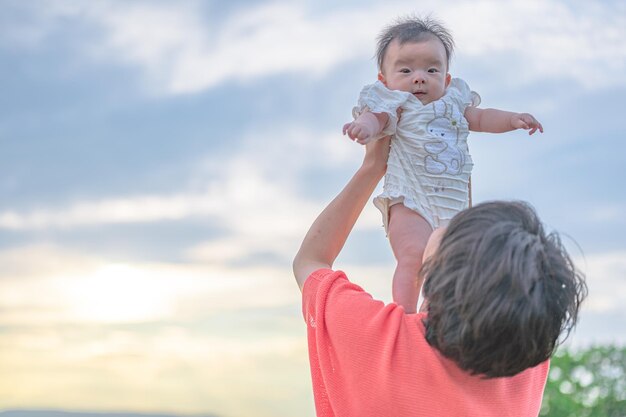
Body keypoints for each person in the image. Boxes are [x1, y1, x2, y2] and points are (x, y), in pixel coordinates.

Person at [292, 138, 587, 417]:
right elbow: (484, 284)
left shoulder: (378, 339)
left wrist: (373, 166)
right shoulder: (524, 367)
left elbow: (310, 260)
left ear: (435, 270)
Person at [343, 16, 544, 313]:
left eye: (431, 69)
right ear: (384, 80)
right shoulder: (396, 103)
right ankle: (405, 315)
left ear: (447, 79)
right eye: (406, 70)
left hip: (453, 204)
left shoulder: (454, 103)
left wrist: (512, 120)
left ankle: (431, 315)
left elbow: (482, 117)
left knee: (449, 269)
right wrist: (364, 127)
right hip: (410, 199)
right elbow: (377, 119)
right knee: (412, 257)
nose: (419, 77)